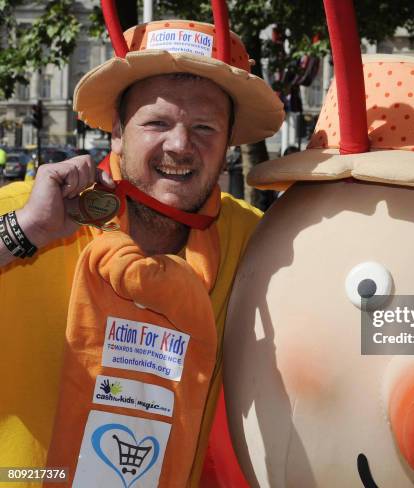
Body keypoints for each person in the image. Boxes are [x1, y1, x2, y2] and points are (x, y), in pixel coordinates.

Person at [0, 19, 283, 486]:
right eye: (157, 122)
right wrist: (25, 232)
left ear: (230, 141)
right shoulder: (26, 213)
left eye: (205, 127)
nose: (180, 145)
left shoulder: (256, 242)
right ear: (117, 128)